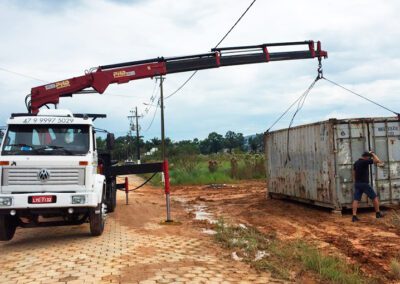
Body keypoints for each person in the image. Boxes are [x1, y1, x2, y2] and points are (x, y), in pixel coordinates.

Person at [352, 151, 384, 222]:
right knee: (374, 197)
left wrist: (355, 181)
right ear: (366, 157)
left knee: (356, 199)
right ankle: (378, 213)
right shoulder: (365, 161)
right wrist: (372, 154)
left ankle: (354, 216)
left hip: (358, 183)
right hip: (364, 184)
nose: (369, 159)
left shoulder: (356, 162)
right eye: (369, 157)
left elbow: (353, 172)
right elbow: (377, 161)